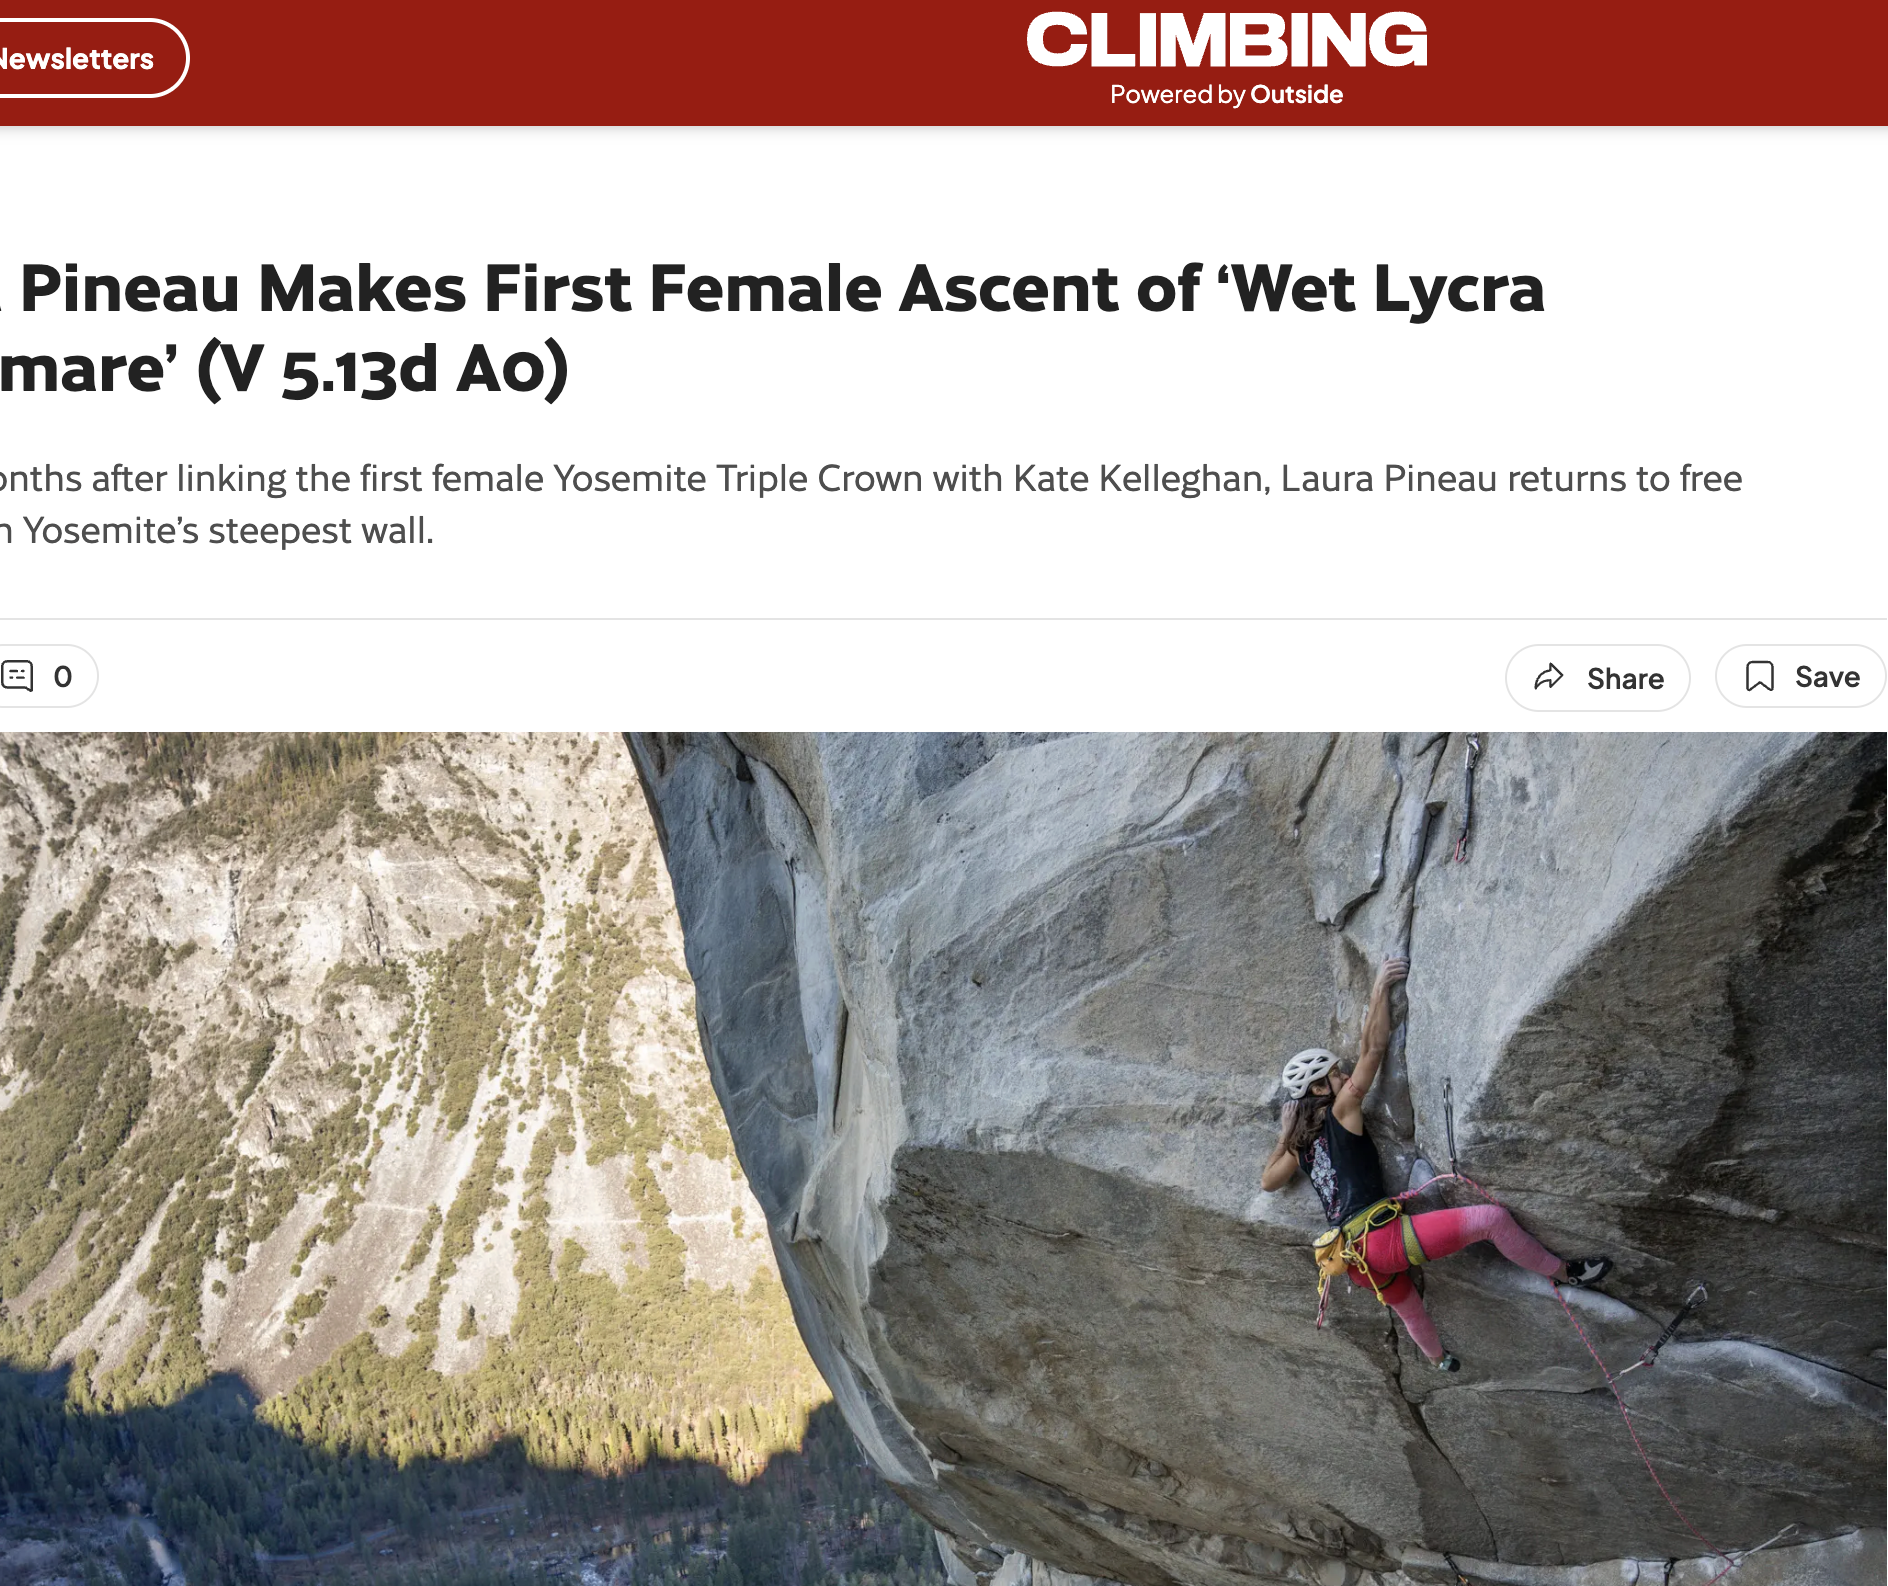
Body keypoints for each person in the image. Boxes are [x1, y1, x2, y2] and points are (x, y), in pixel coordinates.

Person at [1260, 958, 1611, 1371]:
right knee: (1491, 1220)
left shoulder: (1300, 1147)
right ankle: (1564, 1273)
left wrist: (1285, 1133)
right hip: (1381, 1239)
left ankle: (1439, 1360)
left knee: (1409, 1307)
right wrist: (1378, 991)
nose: (1345, 1075)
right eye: (1336, 1074)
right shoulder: (1342, 1111)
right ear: (1320, 1088)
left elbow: (1269, 1182)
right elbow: (1374, 1048)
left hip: (1354, 1260)